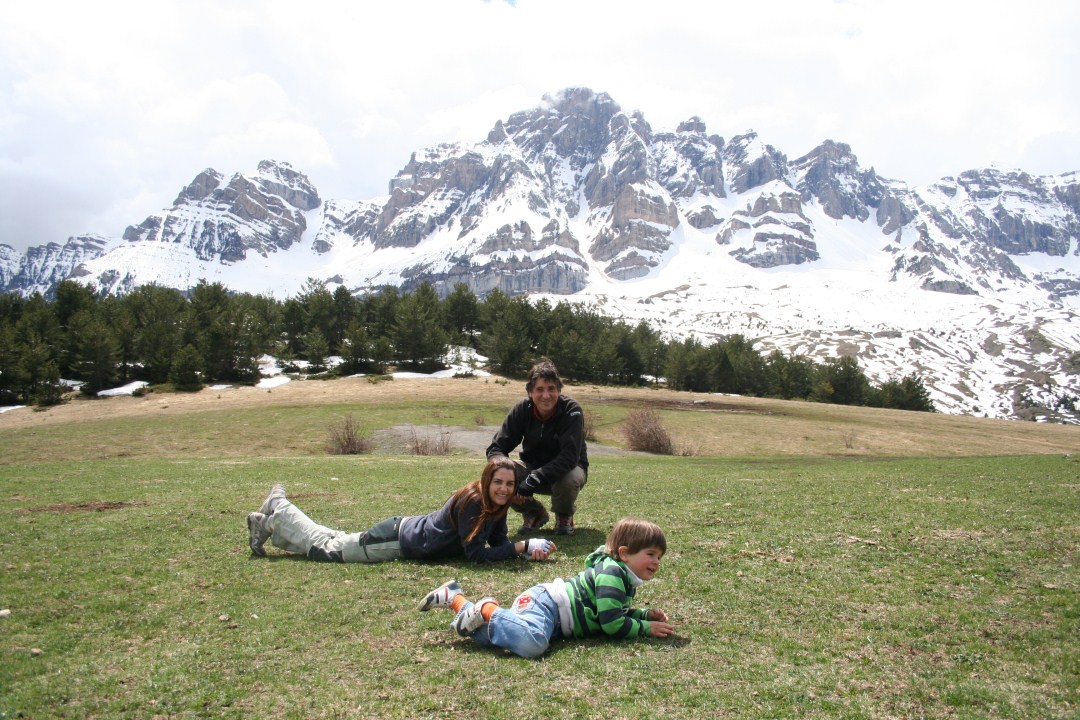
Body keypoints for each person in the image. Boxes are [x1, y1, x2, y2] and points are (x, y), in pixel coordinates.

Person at [417, 517, 674, 658]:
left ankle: (457, 601)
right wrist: (645, 628)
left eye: (659, 557)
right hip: (546, 604)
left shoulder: (622, 576)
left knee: (498, 640)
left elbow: (612, 612)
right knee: (533, 644)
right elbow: (611, 624)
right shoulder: (613, 574)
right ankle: (487, 608)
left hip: (553, 618)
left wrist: (642, 614)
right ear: (625, 553)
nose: (656, 562)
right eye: (650, 554)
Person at [246, 456, 556, 563]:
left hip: (402, 531)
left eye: (509, 484)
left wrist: (524, 551)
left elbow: (498, 542)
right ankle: (278, 506)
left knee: (333, 538)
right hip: (397, 540)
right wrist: (522, 545)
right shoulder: (474, 501)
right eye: (498, 482)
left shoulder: (495, 505)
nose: (504, 489)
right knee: (328, 548)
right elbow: (475, 554)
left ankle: (268, 523)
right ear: (487, 481)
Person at [486, 359, 588, 536]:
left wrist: (536, 477)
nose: (546, 395)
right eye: (540, 389)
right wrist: (504, 472)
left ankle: (564, 515)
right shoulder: (521, 410)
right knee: (496, 471)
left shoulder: (571, 410)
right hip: (531, 467)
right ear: (530, 392)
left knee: (569, 478)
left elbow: (570, 457)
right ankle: (534, 512)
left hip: (568, 470)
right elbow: (496, 448)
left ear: (558, 390)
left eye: (551, 389)